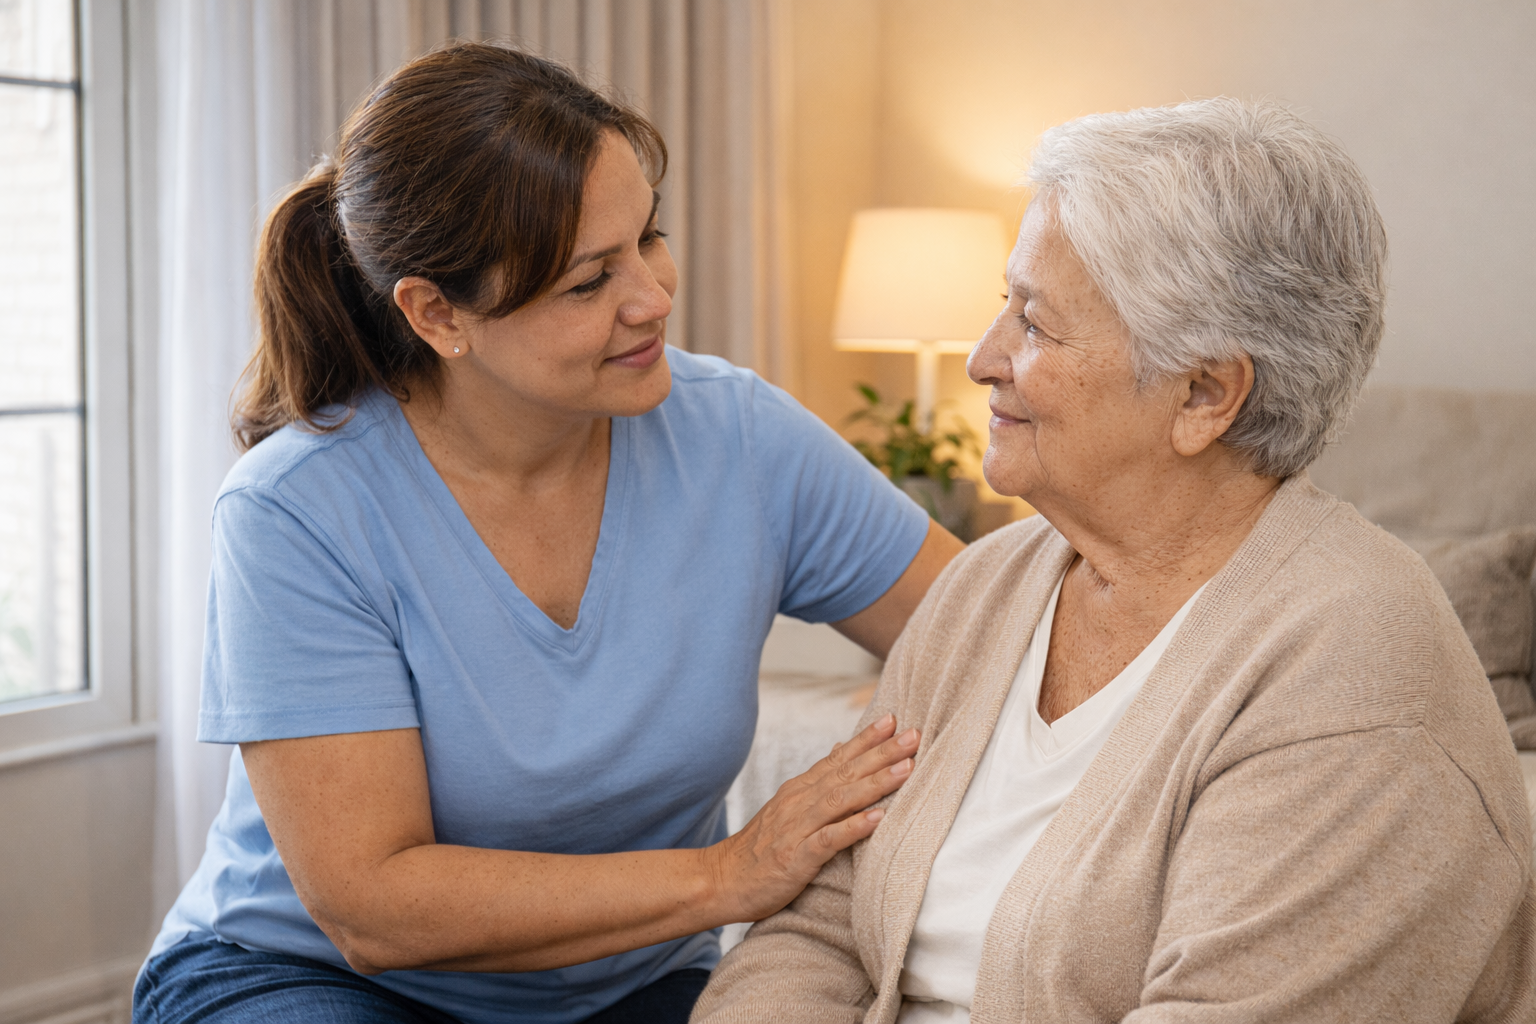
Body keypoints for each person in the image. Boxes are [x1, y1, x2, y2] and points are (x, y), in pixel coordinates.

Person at [133, 43, 961, 1024]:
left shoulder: (738, 436)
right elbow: (373, 905)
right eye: (588, 281)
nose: (652, 298)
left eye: (649, 239)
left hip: (627, 981)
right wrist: (728, 873)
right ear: (438, 311)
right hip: (317, 978)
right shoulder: (296, 510)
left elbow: (988, 626)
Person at [692, 98, 1536, 1024]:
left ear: (1204, 395)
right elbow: (818, 930)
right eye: (1002, 305)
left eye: (1037, 326)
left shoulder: (1358, 672)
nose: (982, 358)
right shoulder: (985, 587)